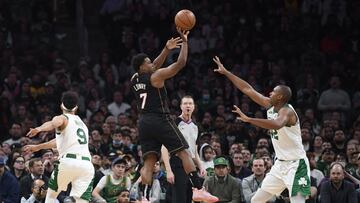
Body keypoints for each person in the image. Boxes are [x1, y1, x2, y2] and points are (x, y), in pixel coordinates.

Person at [130, 28, 217, 202]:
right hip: (160, 119)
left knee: (148, 163)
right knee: (184, 152)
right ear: (142, 66)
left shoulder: (134, 78)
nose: (152, 64)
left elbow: (154, 64)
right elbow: (180, 63)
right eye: (148, 62)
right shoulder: (156, 77)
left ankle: (139, 194)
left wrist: (166, 48)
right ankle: (198, 188)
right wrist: (185, 42)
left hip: (144, 123)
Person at [213, 56, 311, 203]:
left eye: (273, 92)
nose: (270, 93)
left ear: (280, 97)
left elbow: (277, 124)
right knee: (256, 200)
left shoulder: (287, 112)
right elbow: (247, 89)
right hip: (280, 164)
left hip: (297, 165)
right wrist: (227, 72)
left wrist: (250, 119)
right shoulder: (270, 105)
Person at [23, 91, 95, 203]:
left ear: (61, 105)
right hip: (87, 166)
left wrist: (39, 129)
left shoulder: (63, 118)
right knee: (80, 201)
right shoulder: (83, 124)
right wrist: (38, 147)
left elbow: (53, 124)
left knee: (51, 197)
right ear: (76, 107)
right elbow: (59, 141)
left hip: (68, 162)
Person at [161, 95, 206, 203]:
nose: (188, 106)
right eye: (185, 103)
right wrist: (168, 170)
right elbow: (164, 147)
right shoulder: (175, 123)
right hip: (177, 163)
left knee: (190, 198)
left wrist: (200, 165)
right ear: (181, 106)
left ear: (194, 107)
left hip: (191, 165)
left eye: (190, 103)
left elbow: (194, 149)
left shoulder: (195, 125)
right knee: (179, 198)